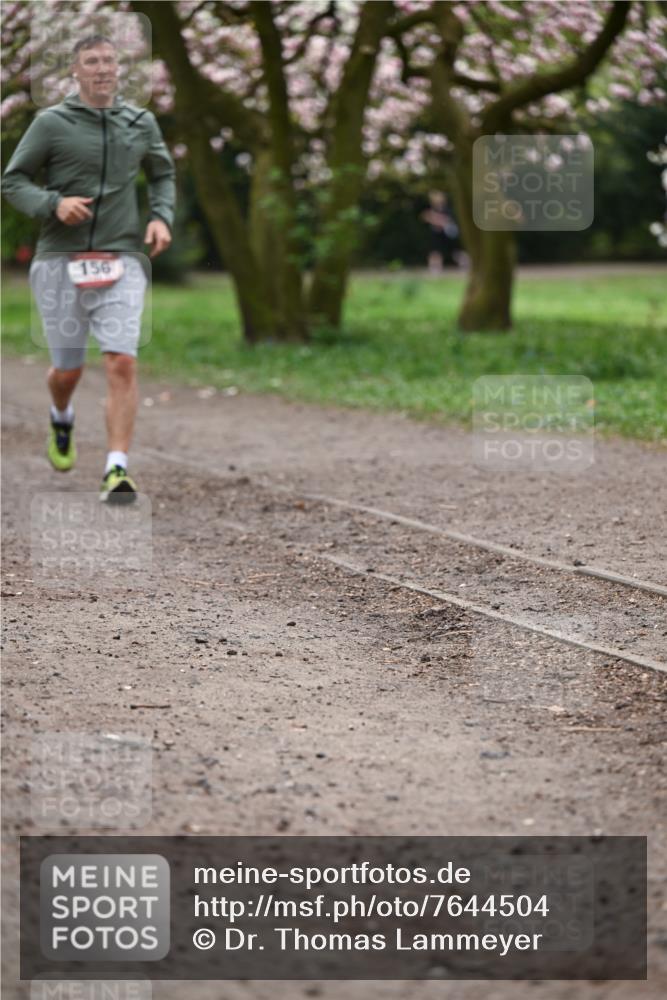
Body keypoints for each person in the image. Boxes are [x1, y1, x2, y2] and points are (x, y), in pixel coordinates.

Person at [2, 34, 175, 502]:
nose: (102, 68)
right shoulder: (50, 123)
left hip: (121, 258)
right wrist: (53, 204)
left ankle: (117, 469)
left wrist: (161, 215)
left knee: (121, 360)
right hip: (60, 261)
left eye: (110, 61)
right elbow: (12, 181)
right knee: (68, 371)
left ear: (119, 71)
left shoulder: (140, 122)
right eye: (92, 61)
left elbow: (162, 172)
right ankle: (61, 417)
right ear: (75, 72)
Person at [420, 190, 460, 274]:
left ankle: (466, 266)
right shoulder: (432, 209)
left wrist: (435, 219)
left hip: (447, 234)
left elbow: (446, 221)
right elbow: (424, 216)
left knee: (455, 252)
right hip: (436, 235)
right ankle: (435, 270)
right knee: (435, 252)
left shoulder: (447, 210)